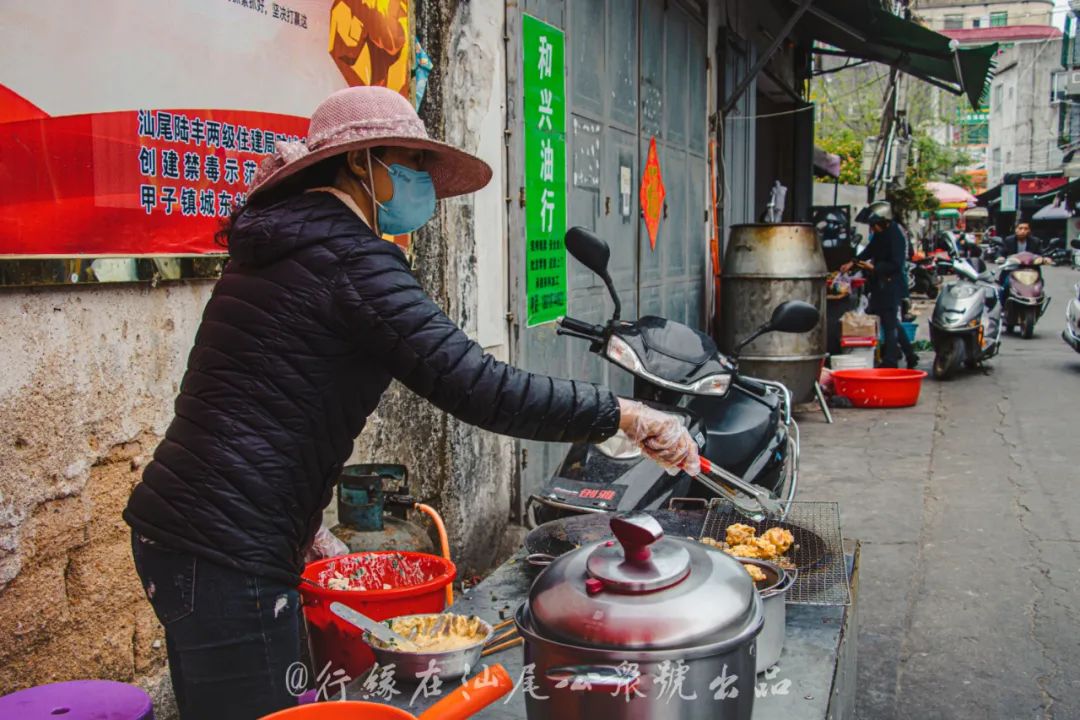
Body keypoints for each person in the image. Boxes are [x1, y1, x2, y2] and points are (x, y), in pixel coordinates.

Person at [122, 86, 701, 720]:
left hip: (205, 534)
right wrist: (624, 413)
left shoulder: (284, 249)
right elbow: (479, 386)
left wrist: (304, 523)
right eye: (411, 161)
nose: (422, 179)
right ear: (362, 162)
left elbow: (253, 402)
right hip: (221, 548)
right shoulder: (350, 259)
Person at [843, 201, 915, 369]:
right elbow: (869, 250)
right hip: (880, 285)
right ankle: (910, 355)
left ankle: (890, 361)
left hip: (891, 284)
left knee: (889, 324)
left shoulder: (895, 235)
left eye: (874, 225)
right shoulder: (881, 235)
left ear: (884, 221)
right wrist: (852, 263)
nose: (873, 229)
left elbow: (897, 263)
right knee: (890, 322)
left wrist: (875, 268)